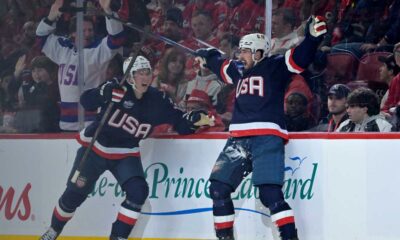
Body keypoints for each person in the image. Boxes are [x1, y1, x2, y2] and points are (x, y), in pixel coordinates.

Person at [39, 56, 212, 240]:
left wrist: (194, 120)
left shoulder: (158, 100)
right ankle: (53, 230)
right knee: (73, 196)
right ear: (130, 76)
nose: (145, 77)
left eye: (148, 72)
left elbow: (179, 122)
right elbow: (86, 101)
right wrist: (101, 93)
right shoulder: (115, 88)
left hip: (125, 152)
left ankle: (118, 237)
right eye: (140, 73)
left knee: (138, 192)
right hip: (96, 148)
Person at [195, 16, 327, 240]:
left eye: (245, 51)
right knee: (217, 188)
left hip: (267, 136)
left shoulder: (275, 65)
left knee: (270, 195)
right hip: (237, 139)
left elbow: (300, 58)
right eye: (240, 51)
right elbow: (219, 63)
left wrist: (313, 39)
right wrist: (207, 56)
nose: (240, 55)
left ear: (258, 53)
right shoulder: (238, 71)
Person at [36, 0, 125, 131]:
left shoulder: (98, 50)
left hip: (92, 124)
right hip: (66, 124)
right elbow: (41, 39)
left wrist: (109, 12)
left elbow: (117, 39)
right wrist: (50, 18)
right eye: (83, 30)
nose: (88, 34)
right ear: (73, 33)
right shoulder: (63, 50)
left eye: (90, 30)